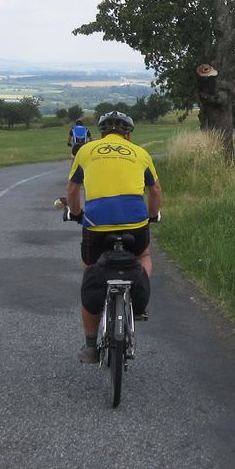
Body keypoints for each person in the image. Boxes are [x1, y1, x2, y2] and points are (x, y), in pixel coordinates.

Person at [65, 111, 162, 364]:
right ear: (128, 134)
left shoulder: (85, 151)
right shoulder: (140, 153)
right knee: (143, 255)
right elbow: (155, 190)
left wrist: (76, 214)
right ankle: (138, 296)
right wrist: (152, 216)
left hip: (97, 223)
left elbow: (73, 189)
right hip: (135, 221)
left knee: (90, 267)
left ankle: (90, 346)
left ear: (101, 133)